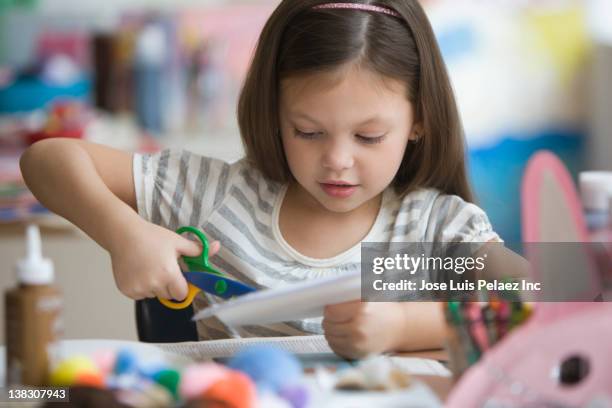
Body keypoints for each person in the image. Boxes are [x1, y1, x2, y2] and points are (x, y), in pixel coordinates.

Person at [21, 0, 525, 359]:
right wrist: (122, 233)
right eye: (308, 132)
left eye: (369, 137)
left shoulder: (431, 229)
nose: (337, 161)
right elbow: (48, 160)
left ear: (419, 121)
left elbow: (541, 296)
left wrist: (403, 325)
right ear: (275, 113)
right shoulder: (219, 196)